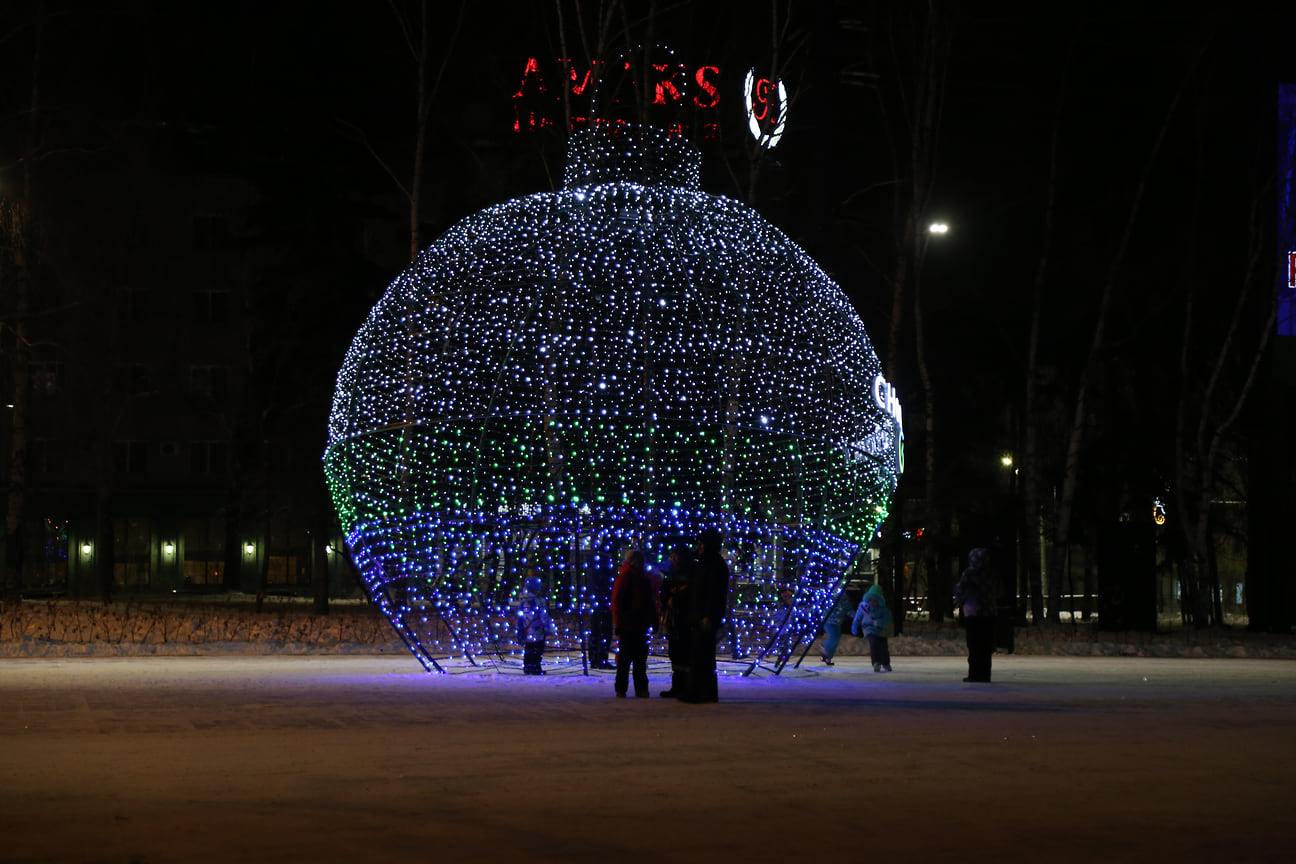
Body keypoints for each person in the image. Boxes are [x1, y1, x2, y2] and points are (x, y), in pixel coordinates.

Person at [681, 528, 729, 703]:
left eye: (701, 542)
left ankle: (701, 692)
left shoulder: (714, 564)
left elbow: (714, 593)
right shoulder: (704, 563)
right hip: (699, 615)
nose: (698, 546)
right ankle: (700, 691)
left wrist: (708, 616)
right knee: (699, 655)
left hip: (706, 616)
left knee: (703, 655)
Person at [611, 548, 656, 698]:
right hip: (629, 625)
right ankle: (624, 688)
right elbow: (616, 603)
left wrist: (653, 619)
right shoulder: (627, 578)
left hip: (638, 625)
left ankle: (636, 688)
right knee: (627, 661)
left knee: (638, 661)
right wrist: (619, 624)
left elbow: (650, 602)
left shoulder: (641, 578)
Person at [953, 547, 999, 682]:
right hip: (989, 613)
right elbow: (1000, 590)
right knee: (986, 646)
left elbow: (960, 590)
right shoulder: (992, 574)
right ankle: (985, 674)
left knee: (974, 645)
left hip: (973, 613)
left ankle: (974, 673)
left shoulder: (969, 574)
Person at [657, 545, 692, 697]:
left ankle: (686, 687)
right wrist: (667, 600)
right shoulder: (671, 573)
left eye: (677, 556)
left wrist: (677, 599)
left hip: (685, 619)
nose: (674, 558)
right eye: (673, 555)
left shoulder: (690, 572)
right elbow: (663, 592)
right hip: (673, 619)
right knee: (675, 654)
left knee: (684, 654)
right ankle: (678, 686)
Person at [516, 574, 555, 675]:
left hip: (526, 630)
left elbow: (520, 617)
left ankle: (528, 667)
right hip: (538, 630)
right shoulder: (540, 601)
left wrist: (520, 630)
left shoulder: (523, 601)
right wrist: (548, 627)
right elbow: (544, 615)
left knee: (528, 649)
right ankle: (536, 667)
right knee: (537, 650)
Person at [851, 583, 893, 672]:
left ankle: (885, 663)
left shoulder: (883, 610)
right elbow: (858, 617)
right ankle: (876, 662)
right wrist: (855, 626)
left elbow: (888, 620)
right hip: (869, 628)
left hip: (881, 630)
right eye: (870, 600)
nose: (872, 603)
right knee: (874, 643)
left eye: (875, 601)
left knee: (883, 646)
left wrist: (879, 623)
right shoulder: (864, 607)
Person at [819, 590, 856, 665]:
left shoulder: (844, 599)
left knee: (836, 640)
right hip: (828, 621)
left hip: (838, 622)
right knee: (834, 637)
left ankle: (828, 658)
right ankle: (824, 646)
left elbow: (848, 610)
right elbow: (822, 606)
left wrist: (855, 615)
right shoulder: (829, 596)